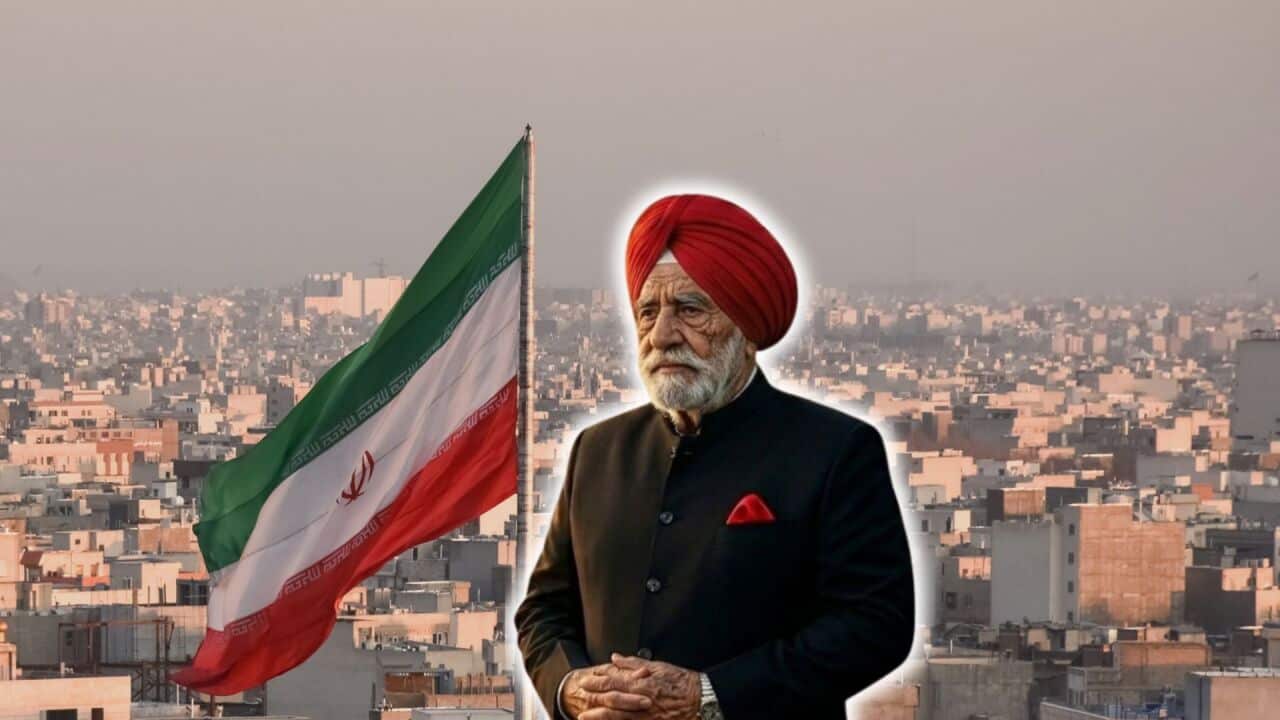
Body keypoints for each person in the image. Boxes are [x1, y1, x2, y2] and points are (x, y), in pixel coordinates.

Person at [516, 193, 915, 720]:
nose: (662, 336)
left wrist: (713, 695)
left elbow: (876, 623)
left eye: (690, 310)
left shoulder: (833, 451)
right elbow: (544, 608)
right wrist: (570, 688)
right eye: (648, 312)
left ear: (746, 327)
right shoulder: (600, 451)